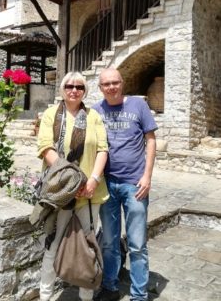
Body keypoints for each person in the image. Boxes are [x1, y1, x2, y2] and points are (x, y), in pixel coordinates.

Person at [37, 71, 109, 301]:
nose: (74, 90)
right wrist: (71, 180)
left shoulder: (93, 116)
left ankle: (85, 297)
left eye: (79, 86)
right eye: (70, 86)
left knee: (86, 248)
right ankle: (46, 296)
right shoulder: (50, 115)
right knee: (53, 245)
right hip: (60, 193)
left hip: (88, 194)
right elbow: (46, 148)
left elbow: (102, 149)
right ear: (62, 89)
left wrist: (92, 180)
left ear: (85, 90)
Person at [92, 68, 157, 301]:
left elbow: (150, 140)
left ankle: (139, 295)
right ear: (100, 88)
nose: (111, 87)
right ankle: (110, 286)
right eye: (106, 84)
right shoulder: (95, 111)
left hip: (134, 184)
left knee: (137, 243)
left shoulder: (138, 105)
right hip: (107, 185)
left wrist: (147, 176)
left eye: (115, 82)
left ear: (122, 83)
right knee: (109, 241)